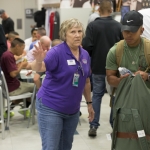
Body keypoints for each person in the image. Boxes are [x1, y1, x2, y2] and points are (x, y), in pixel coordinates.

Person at [30, 18, 94, 150]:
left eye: (79, 31)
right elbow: (40, 68)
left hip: (72, 110)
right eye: (73, 32)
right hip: (50, 106)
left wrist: (89, 104)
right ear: (65, 35)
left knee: (65, 147)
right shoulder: (57, 52)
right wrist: (38, 60)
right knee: (51, 147)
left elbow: (86, 81)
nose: (77, 35)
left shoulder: (85, 55)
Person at [82, 0, 123, 136]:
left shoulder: (93, 26)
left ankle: (93, 125)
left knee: (97, 96)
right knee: (115, 96)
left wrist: (90, 63)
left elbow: (87, 46)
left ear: (98, 11)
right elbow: (123, 46)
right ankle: (114, 126)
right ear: (111, 11)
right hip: (115, 68)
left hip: (98, 66)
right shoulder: (119, 26)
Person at [106, 11, 149, 127]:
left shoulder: (148, 49)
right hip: (122, 99)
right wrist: (120, 81)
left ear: (141, 30)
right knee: (122, 139)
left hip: (146, 101)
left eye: (133, 31)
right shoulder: (115, 51)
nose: (128, 34)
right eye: (125, 30)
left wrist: (147, 76)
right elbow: (110, 77)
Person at [1, 38, 34, 118]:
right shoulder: (9, 56)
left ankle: (9, 111)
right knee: (36, 86)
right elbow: (13, 74)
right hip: (13, 88)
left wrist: (17, 66)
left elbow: (11, 70)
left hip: (9, 86)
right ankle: (24, 109)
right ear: (17, 46)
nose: (23, 51)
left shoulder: (7, 54)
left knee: (29, 88)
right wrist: (22, 66)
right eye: (22, 48)